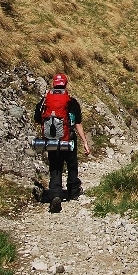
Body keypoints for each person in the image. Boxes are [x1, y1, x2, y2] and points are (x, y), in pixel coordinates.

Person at [33, 73, 90, 213]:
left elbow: (38, 119)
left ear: (54, 84)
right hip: (68, 139)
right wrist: (85, 142)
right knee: (72, 164)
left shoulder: (45, 100)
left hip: (51, 141)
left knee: (55, 167)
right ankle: (73, 191)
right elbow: (77, 123)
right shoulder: (71, 101)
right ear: (65, 84)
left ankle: (55, 194)